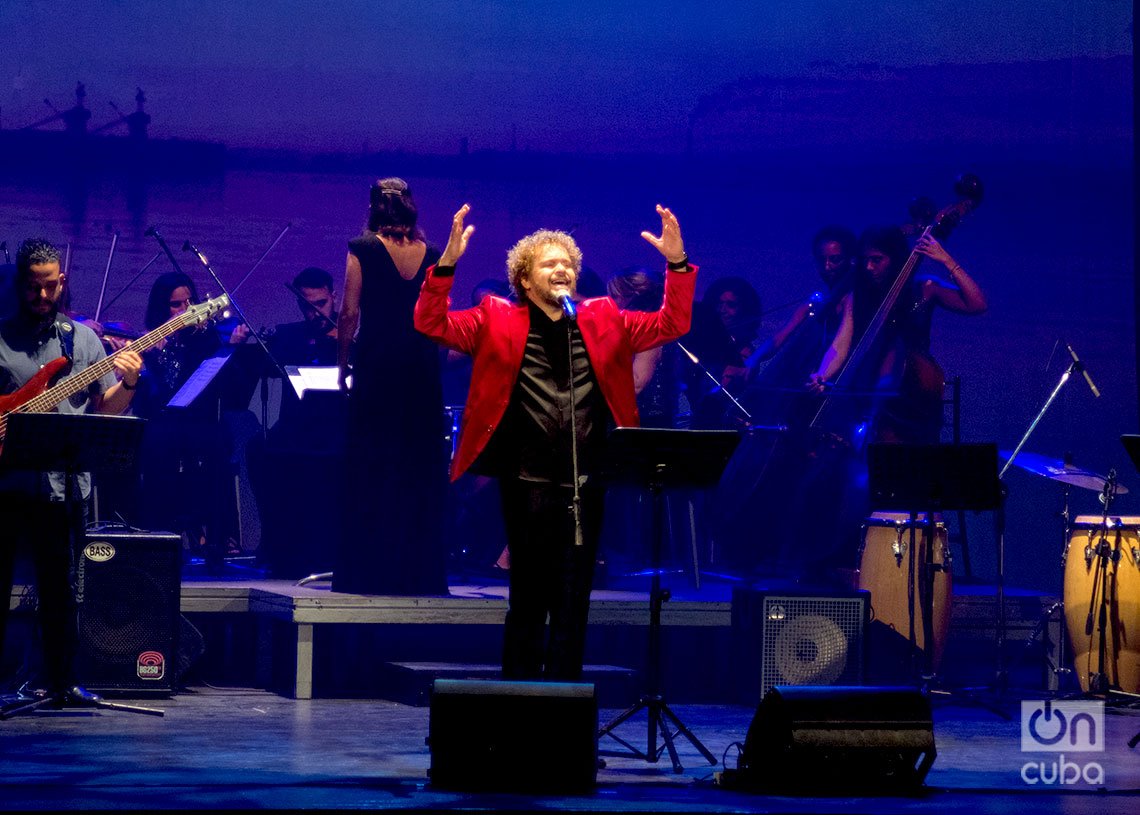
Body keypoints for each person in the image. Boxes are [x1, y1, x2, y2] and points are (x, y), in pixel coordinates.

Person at [414, 203, 696, 680]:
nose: (562, 268)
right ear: (525, 279)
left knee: (574, 599)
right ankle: (519, 699)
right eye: (549, 262)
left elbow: (672, 324)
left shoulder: (605, 316)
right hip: (524, 478)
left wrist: (677, 264)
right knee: (527, 597)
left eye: (567, 262)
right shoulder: (494, 317)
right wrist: (445, 266)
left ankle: (565, 706)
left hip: (587, 479)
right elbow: (431, 323)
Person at [0, 238, 142, 703]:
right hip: (9, 484)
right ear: (20, 284)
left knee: (63, 590)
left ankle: (61, 683)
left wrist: (129, 381)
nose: (42, 298)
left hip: (64, 487)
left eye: (50, 287)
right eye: (33, 289)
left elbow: (106, 411)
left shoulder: (82, 340)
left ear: (62, 282)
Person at [335, 177, 449, 596]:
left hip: (378, 362)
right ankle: (418, 571)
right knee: (417, 465)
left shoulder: (361, 248)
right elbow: (437, 313)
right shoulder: (433, 254)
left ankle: (368, 570)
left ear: (373, 209)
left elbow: (349, 313)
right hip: (420, 364)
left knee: (373, 462)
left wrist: (342, 364)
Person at [808, 225, 987, 444]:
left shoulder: (924, 287)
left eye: (877, 259)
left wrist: (946, 260)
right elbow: (841, 344)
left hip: (911, 397)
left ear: (894, 259)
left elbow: (977, 304)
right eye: (864, 260)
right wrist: (822, 374)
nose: (869, 267)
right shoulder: (859, 296)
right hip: (869, 397)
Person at [682, 275, 761, 428]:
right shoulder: (702, 345)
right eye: (718, 303)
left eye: (731, 305)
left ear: (744, 310)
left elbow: (719, 395)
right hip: (696, 422)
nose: (722, 310)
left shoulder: (744, 351)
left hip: (724, 426)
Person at [269, 266, 340, 367]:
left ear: (334, 298)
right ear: (300, 305)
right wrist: (238, 344)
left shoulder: (353, 333)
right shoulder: (288, 335)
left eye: (322, 303)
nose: (317, 313)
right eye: (309, 306)